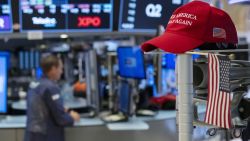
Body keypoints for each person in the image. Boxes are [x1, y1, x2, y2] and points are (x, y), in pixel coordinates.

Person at [24, 55, 80, 141]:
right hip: (46, 136)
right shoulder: (51, 87)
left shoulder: (34, 84)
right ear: (53, 68)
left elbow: (43, 107)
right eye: (60, 68)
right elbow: (61, 119)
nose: (61, 71)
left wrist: (62, 109)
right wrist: (73, 118)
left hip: (31, 135)